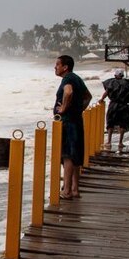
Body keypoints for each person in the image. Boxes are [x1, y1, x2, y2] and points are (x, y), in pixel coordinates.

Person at [54, 55, 91, 200]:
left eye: (57, 64)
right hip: (76, 120)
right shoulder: (77, 78)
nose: (55, 67)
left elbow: (68, 92)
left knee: (67, 155)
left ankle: (67, 191)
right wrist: (79, 109)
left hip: (68, 122)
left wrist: (63, 108)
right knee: (75, 154)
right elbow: (88, 97)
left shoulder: (68, 79)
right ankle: (75, 189)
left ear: (65, 67)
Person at [98, 68, 129, 152]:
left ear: (115, 75)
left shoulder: (111, 82)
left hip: (113, 104)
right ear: (122, 75)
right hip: (124, 105)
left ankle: (109, 141)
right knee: (123, 123)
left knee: (110, 122)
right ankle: (120, 142)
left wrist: (101, 99)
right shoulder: (127, 83)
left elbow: (106, 92)